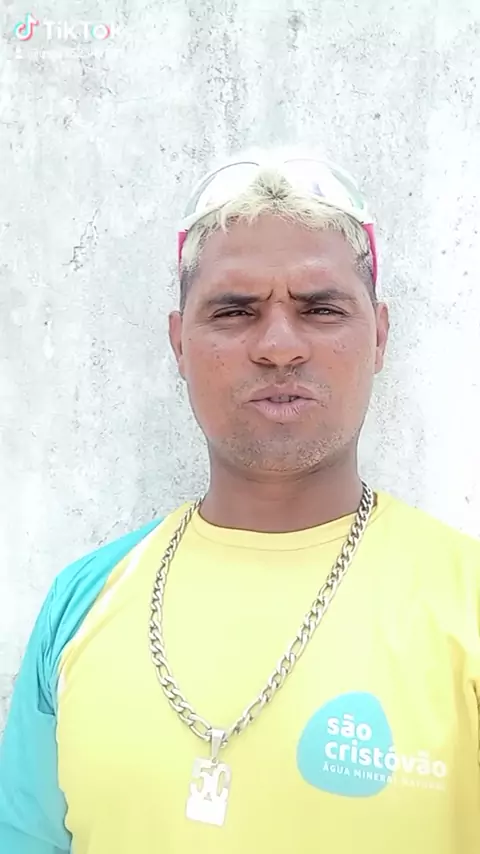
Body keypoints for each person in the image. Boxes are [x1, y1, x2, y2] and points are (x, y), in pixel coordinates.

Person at [1, 148, 479, 854]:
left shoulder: (466, 599)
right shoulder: (82, 603)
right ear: (179, 343)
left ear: (379, 336)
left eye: (321, 309)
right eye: (234, 311)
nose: (279, 347)